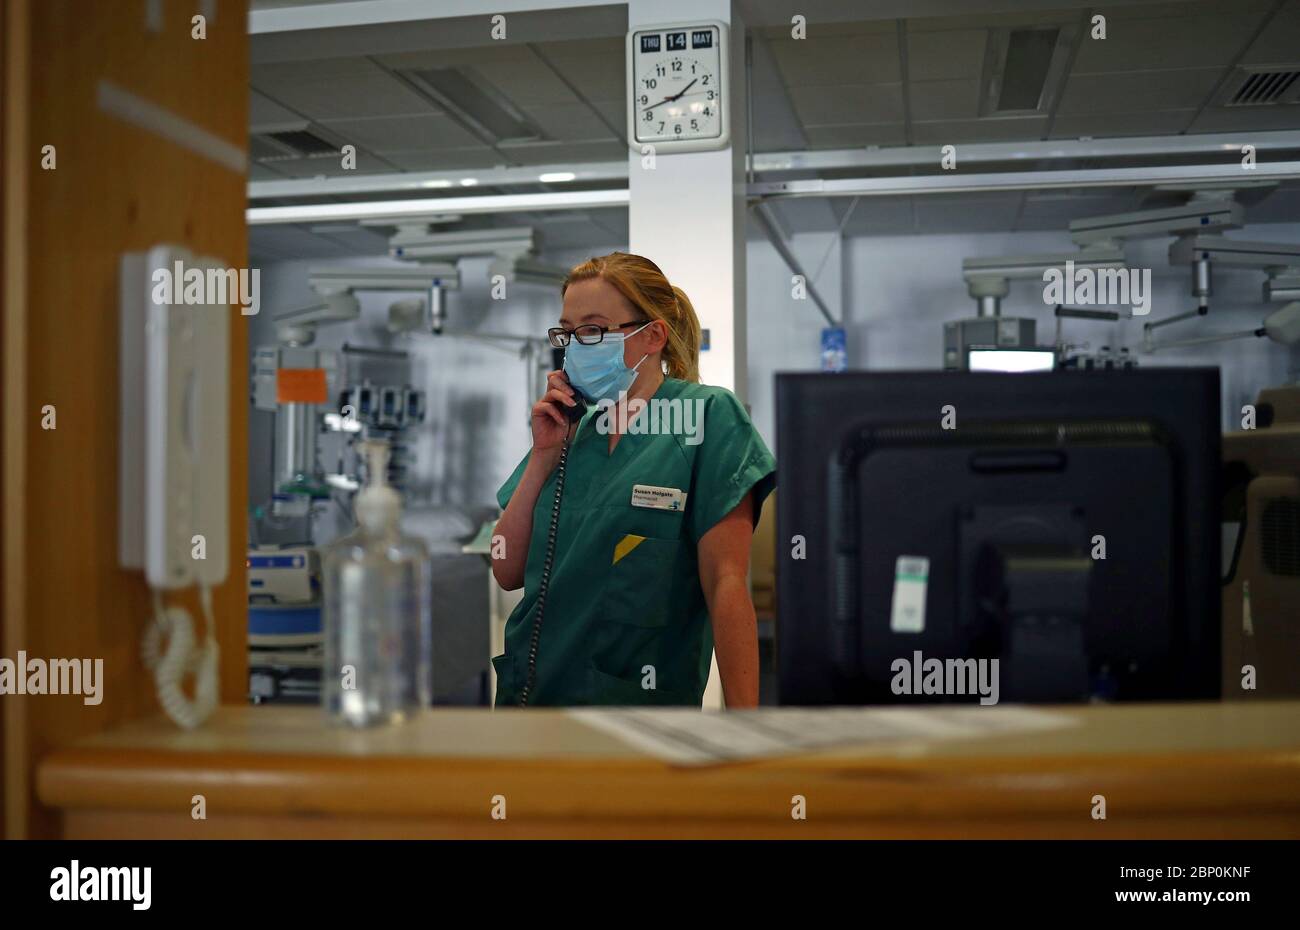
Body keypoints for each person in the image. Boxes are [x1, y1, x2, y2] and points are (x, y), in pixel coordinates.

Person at [492, 252, 776, 708]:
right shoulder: (570, 430)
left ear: (652, 336)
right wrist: (543, 456)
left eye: (593, 329)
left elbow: (726, 582)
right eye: (568, 332)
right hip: (531, 703)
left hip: (637, 709)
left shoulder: (705, 418)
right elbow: (506, 571)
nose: (575, 346)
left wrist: (746, 727)